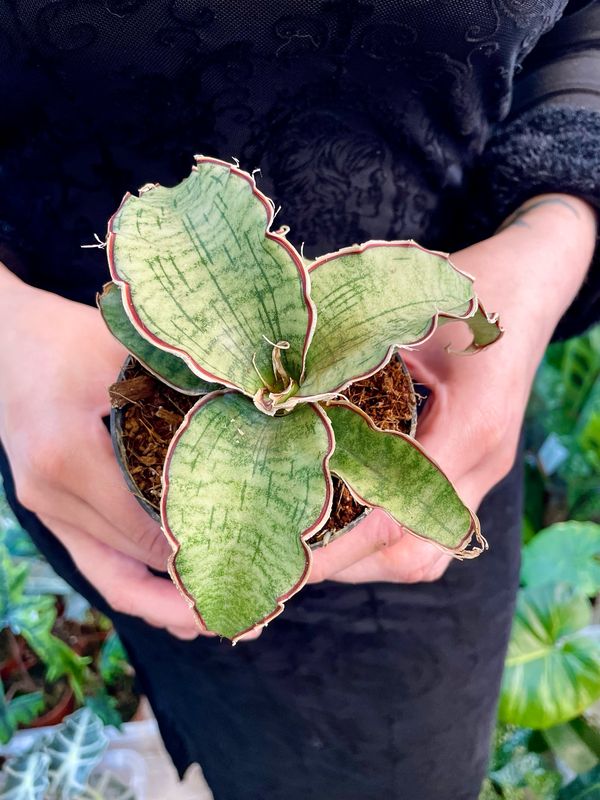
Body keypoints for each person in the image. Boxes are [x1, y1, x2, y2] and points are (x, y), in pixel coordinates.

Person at [0, 2, 598, 798]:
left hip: (435, 394)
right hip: (63, 403)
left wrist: (553, 230)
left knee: (384, 762)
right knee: (172, 636)